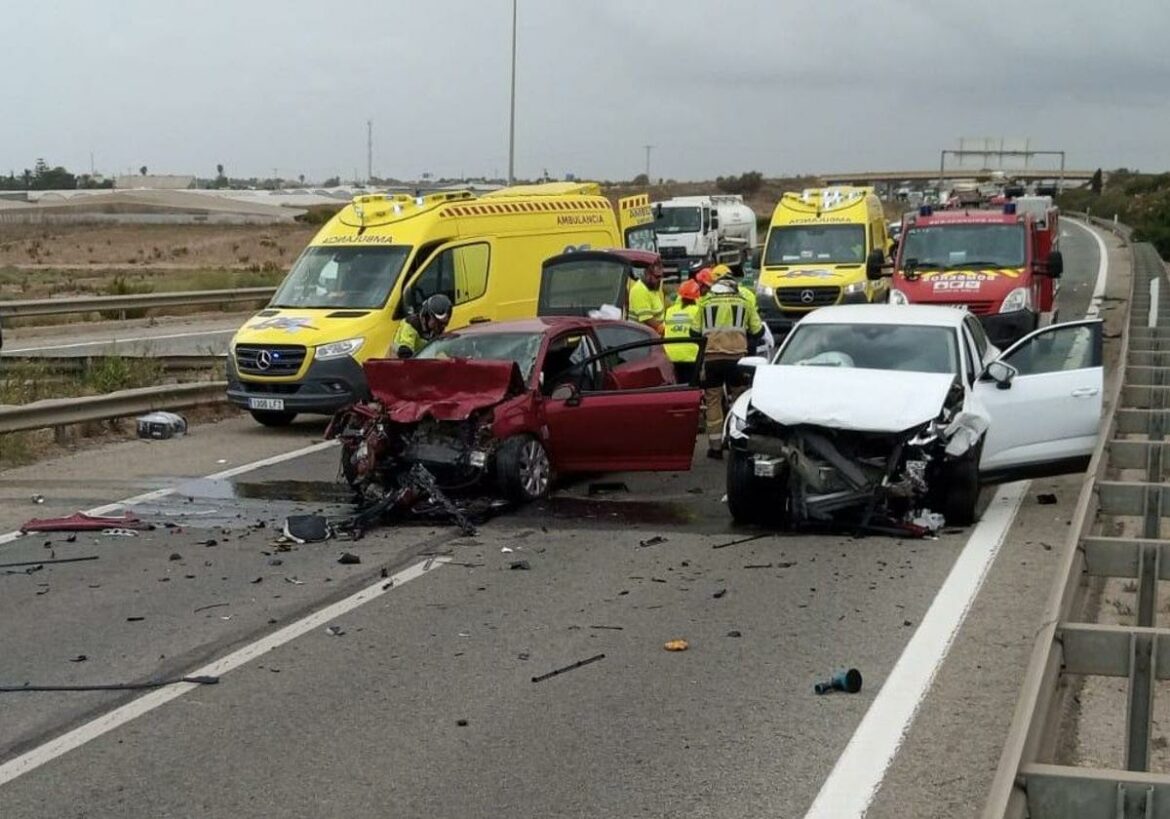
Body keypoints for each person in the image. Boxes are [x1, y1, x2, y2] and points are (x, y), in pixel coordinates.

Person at [698, 277, 763, 459]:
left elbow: (693, 331)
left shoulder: (705, 304)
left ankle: (715, 447)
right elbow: (758, 331)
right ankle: (736, 442)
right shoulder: (744, 302)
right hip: (737, 360)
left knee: (713, 400)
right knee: (739, 399)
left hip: (712, 359)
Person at [663, 279, 703, 384]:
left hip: (670, 356)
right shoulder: (697, 310)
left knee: (677, 387)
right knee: (691, 386)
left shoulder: (670, 311)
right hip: (691, 356)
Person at [392, 294, 452, 358]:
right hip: (398, 361)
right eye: (437, 322)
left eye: (443, 324)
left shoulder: (435, 330)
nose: (441, 327)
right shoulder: (411, 324)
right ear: (427, 316)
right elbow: (405, 353)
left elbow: (444, 350)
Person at [628, 260, 666, 334]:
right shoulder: (639, 290)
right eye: (657, 277)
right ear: (647, 274)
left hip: (650, 335)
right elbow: (647, 319)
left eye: (662, 276)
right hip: (641, 336)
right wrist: (665, 330)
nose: (660, 280)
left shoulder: (652, 288)